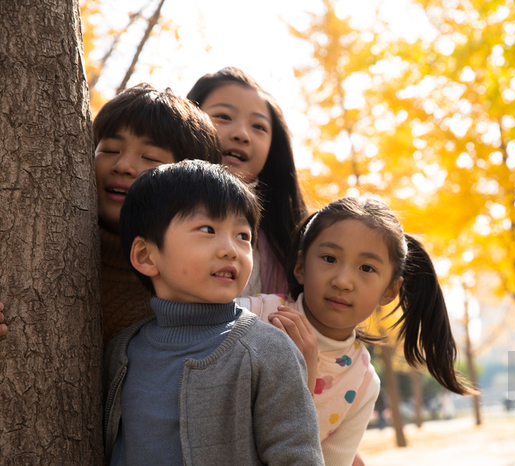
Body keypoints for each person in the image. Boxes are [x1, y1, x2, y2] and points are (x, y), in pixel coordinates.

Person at [104, 160, 323, 465]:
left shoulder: (268, 350)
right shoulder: (121, 352)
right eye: (208, 229)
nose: (231, 249)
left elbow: (297, 456)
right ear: (146, 255)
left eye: (243, 236)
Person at [236, 196, 475, 466]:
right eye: (329, 258)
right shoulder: (251, 316)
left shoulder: (361, 383)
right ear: (301, 267)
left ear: (390, 291)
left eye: (366, 268)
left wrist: (304, 382)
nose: (343, 281)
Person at [0, 84, 222, 344]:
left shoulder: (194, 283)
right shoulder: (27, 240)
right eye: (109, 151)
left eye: (151, 157)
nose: (123, 166)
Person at [187, 66, 307, 296]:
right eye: (223, 116)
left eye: (258, 127)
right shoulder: (150, 207)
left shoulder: (291, 245)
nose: (242, 134)